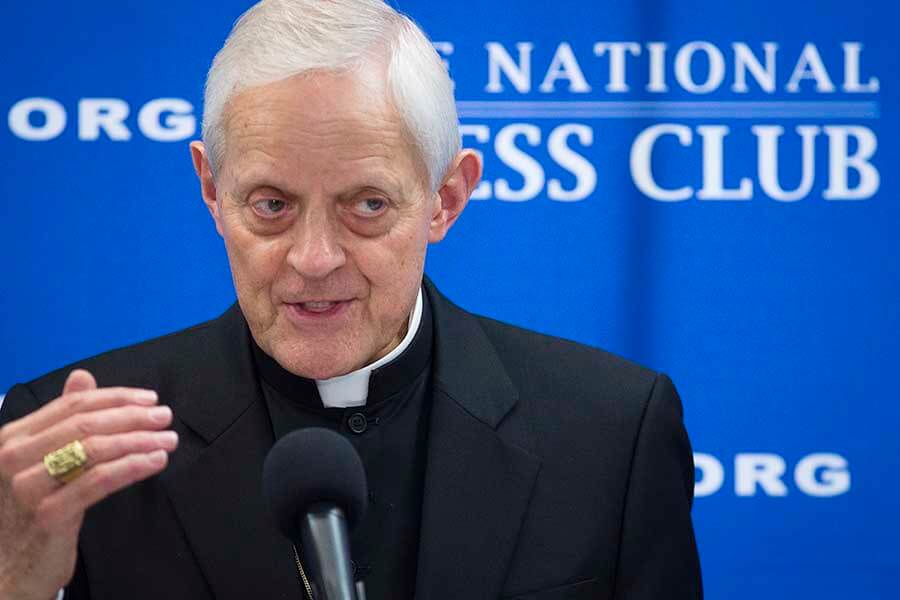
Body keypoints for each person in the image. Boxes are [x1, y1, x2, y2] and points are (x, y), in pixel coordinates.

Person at [0, 0, 702, 598]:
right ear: (212, 190)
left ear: (445, 198)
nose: (314, 259)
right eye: (271, 204)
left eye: (366, 204)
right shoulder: (62, 453)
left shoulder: (612, 435)